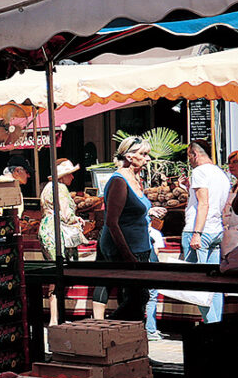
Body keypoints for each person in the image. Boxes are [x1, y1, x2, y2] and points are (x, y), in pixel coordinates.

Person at [93, 136, 162, 330]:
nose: (148, 159)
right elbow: (112, 222)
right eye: (143, 154)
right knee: (137, 297)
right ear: (130, 157)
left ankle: (131, 345)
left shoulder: (136, 178)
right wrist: (127, 255)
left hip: (139, 247)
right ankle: (105, 332)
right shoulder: (119, 181)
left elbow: (131, 212)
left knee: (138, 299)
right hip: (125, 249)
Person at [183, 141, 230, 322]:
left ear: (195, 154)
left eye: (189, 156)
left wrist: (197, 233)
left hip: (200, 230)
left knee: (199, 284)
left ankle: (210, 326)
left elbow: (204, 203)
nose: (189, 161)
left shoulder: (199, 172)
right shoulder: (221, 173)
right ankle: (217, 324)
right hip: (216, 229)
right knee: (214, 283)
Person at [38, 159, 85, 325]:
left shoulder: (47, 188)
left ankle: (53, 317)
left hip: (45, 229)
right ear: (63, 177)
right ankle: (55, 318)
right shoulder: (61, 188)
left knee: (53, 274)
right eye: (70, 174)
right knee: (59, 274)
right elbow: (65, 215)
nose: (72, 177)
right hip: (57, 231)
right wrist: (77, 220)